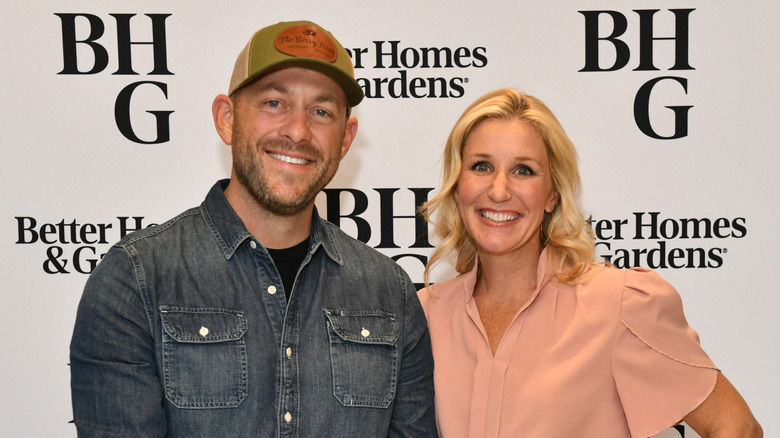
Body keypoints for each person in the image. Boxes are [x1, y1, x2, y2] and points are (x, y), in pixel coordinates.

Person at [70, 20, 436, 437]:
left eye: (321, 111)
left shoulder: (390, 292)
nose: (298, 131)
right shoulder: (137, 279)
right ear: (227, 119)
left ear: (345, 139)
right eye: (274, 103)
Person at [418, 88, 762, 437]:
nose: (499, 190)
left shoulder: (619, 304)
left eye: (524, 170)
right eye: (481, 166)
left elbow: (737, 427)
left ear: (553, 195)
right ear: (457, 185)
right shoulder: (424, 316)